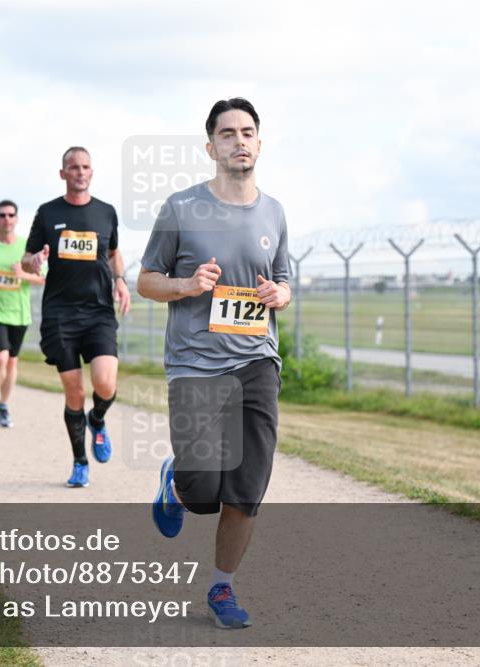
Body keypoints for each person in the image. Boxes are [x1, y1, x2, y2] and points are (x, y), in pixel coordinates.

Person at [137, 98, 291, 629]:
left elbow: (286, 278)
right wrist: (186, 284)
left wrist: (280, 294)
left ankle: (222, 588)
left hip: (257, 361)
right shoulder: (181, 208)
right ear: (211, 147)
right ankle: (174, 481)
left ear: (260, 143)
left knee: (248, 485)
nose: (239, 141)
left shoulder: (274, 210)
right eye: (228, 133)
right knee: (204, 490)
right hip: (197, 364)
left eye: (248, 132)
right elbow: (146, 279)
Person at [23, 147, 131, 487]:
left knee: (105, 382)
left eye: (85, 167)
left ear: (92, 172)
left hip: (98, 310)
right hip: (60, 313)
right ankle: (80, 462)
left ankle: (97, 419)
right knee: (74, 392)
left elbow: (113, 252)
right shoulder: (47, 212)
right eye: (73, 167)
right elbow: (27, 258)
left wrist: (121, 281)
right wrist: (35, 261)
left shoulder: (106, 212)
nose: (80, 172)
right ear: (63, 173)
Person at [0, 199, 45, 428]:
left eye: (11, 215)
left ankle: (3, 404)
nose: (7, 219)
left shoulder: (27, 247)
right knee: (1, 358)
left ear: (17, 219)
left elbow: (43, 278)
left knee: (12, 363)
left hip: (19, 313)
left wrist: (23, 276)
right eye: (2, 215)